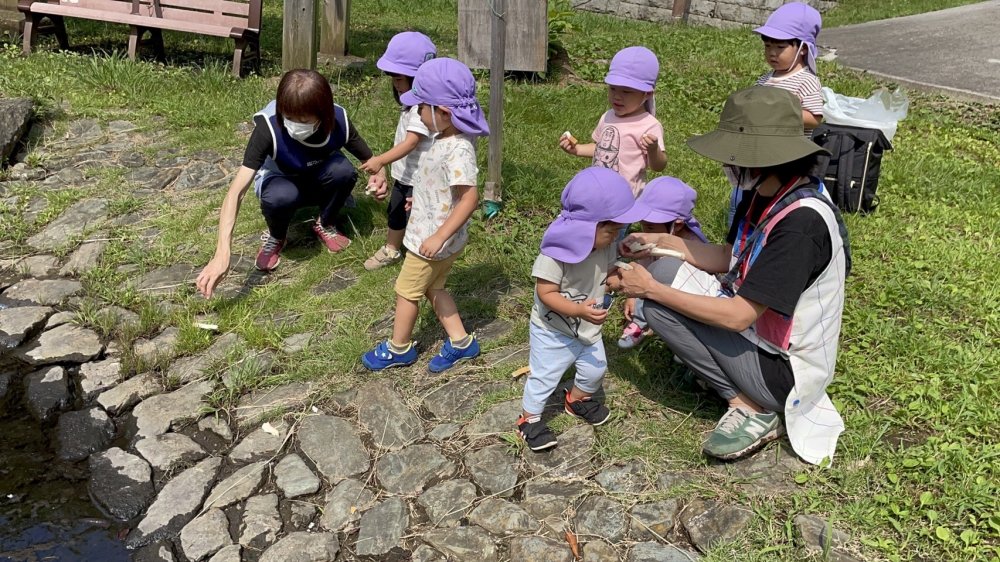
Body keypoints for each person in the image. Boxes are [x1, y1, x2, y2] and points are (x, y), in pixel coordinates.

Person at [607, 87, 851, 466]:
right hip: (762, 337)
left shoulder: (801, 224)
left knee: (657, 305)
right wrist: (658, 242)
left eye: (733, 155)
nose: (726, 164)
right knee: (664, 271)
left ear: (761, 158)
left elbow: (738, 316)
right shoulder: (768, 191)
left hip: (786, 371)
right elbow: (730, 256)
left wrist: (649, 288)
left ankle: (750, 405)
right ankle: (738, 386)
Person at [196, 69, 387, 298]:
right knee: (280, 196)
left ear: (323, 114)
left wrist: (380, 177)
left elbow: (372, 160)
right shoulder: (269, 128)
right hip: (281, 180)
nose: (295, 125)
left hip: (320, 176)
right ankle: (277, 235)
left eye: (304, 121)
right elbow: (235, 192)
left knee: (344, 171)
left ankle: (325, 222)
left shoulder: (337, 120)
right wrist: (222, 253)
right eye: (289, 117)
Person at [361, 58, 489, 373]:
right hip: (434, 234)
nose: (417, 114)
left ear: (443, 112)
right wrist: (419, 199)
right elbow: (440, 184)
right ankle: (462, 342)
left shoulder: (458, 149)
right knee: (434, 288)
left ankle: (399, 348)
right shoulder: (441, 138)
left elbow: (469, 197)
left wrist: (439, 235)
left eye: (421, 107)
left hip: (431, 242)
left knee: (406, 292)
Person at [516, 167, 650, 451]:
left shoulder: (603, 246)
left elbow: (607, 273)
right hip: (553, 330)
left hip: (588, 328)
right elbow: (545, 293)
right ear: (587, 227)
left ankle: (576, 399)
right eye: (611, 230)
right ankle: (529, 419)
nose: (615, 236)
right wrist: (576, 310)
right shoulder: (555, 254)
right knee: (545, 376)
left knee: (595, 370)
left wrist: (620, 277)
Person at [727, 1, 825, 227]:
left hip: (786, 160)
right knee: (745, 200)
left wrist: (777, 115)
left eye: (780, 47)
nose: (772, 53)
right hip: (758, 154)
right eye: (767, 46)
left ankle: (769, 230)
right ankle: (739, 236)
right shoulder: (765, 79)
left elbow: (814, 118)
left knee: (773, 203)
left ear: (803, 48)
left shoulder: (807, 81)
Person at [359, 32, 437, 271]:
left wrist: (380, 161)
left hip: (419, 178)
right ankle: (392, 249)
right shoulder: (411, 104)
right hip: (405, 175)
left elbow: (411, 142)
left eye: (398, 78)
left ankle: (421, 255)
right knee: (395, 213)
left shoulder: (422, 109)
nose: (394, 83)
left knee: (419, 217)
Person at [558, 46, 667, 197]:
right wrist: (577, 149)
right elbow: (600, 149)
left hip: (625, 198)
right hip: (598, 191)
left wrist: (653, 149)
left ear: (647, 94)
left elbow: (659, 166)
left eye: (626, 91)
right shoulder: (608, 116)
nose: (617, 96)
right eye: (613, 88)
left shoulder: (649, 125)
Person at [618, 176, 708, 349]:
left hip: (683, 294)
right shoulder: (652, 237)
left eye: (650, 226)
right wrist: (632, 296)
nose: (645, 231)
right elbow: (643, 265)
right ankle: (640, 319)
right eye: (642, 224)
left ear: (678, 225)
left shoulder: (693, 247)